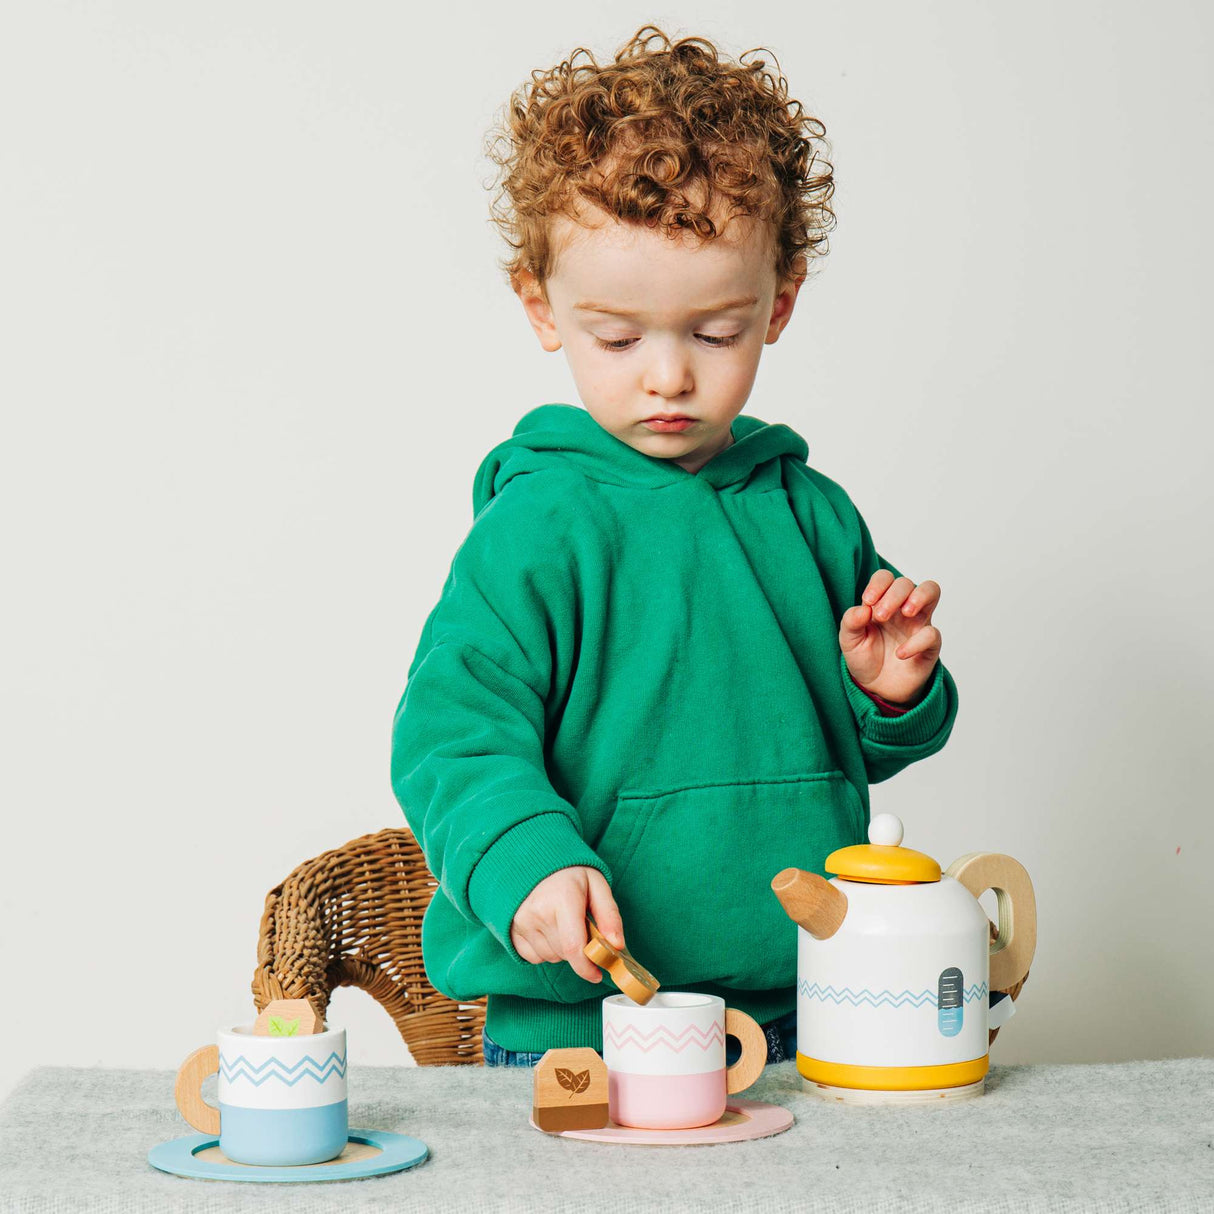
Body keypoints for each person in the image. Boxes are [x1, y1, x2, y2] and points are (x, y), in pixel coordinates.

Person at [390, 24, 958, 1069]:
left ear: (775, 306)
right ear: (540, 307)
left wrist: (882, 692)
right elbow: (450, 733)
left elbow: (856, 745)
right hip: (592, 1019)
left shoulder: (809, 513)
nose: (666, 376)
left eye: (712, 333)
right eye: (617, 337)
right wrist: (523, 864)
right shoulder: (537, 529)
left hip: (804, 999)